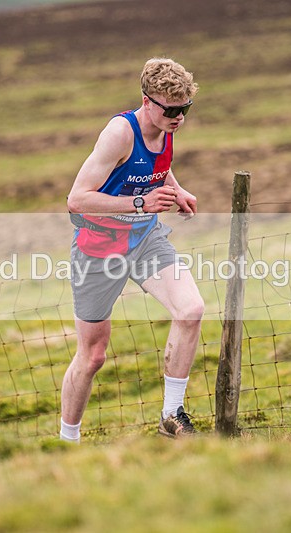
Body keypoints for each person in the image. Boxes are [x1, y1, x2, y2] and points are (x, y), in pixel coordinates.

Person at [61, 58, 205, 442]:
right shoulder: (119, 134)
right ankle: (66, 441)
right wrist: (142, 204)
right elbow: (77, 199)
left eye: (184, 109)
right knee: (93, 357)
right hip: (98, 249)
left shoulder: (168, 126)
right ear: (146, 102)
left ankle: (171, 417)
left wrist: (176, 190)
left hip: (144, 241)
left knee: (190, 310)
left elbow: (156, 166)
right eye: (170, 110)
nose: (178, 117)